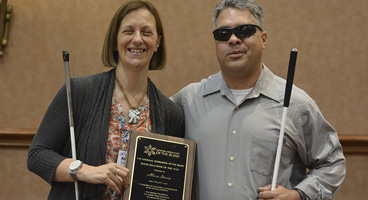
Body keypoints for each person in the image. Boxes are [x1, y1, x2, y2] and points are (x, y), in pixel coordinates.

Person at [171, 0, 346, 199]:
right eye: (223, 34)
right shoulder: (188, 100)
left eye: (244, 30)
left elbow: (332, 163)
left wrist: (299, 195)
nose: (234, 39)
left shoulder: (296, 104)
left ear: (263, 39)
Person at [27, 1, 184, 199]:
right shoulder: (79, 92)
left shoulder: (171, 113)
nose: (137, 39)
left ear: (158, 43)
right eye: (128, 31)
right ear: (114, 41)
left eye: (146, 32)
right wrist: (85, 170)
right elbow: (37, 155)